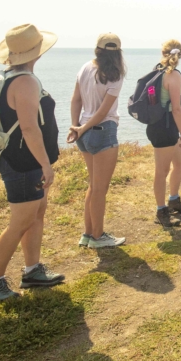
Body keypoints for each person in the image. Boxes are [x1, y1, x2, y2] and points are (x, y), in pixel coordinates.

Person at [0, 24, 64, 303]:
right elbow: (29, 129)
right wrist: (46, 164)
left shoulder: (13, 77)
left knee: (36, 214)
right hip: (24, 162)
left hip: (21, 160)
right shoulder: (25, 82)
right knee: (20, 222)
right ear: (36, 53)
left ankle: (32, 271)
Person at [66, 33, 127, 249]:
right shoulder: (116, 75)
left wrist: (76, 126)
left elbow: (76, 99)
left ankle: (88, 234)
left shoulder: (85, 68)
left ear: (97, 49)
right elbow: (103, 112)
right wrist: (82, 127)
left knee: (93, 186)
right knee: (100, 189)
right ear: (118, 52)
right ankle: (98, 237)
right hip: (102, 131)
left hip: (84, 131)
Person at [147, 40, 181, 227]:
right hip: (164, 128)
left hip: (161, 126)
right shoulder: (173, 76)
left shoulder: (157, 70)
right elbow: (176, 109)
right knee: (162, 171)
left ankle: (173, 200)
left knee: (180, 162)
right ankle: (161, 210)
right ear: (180, 55)